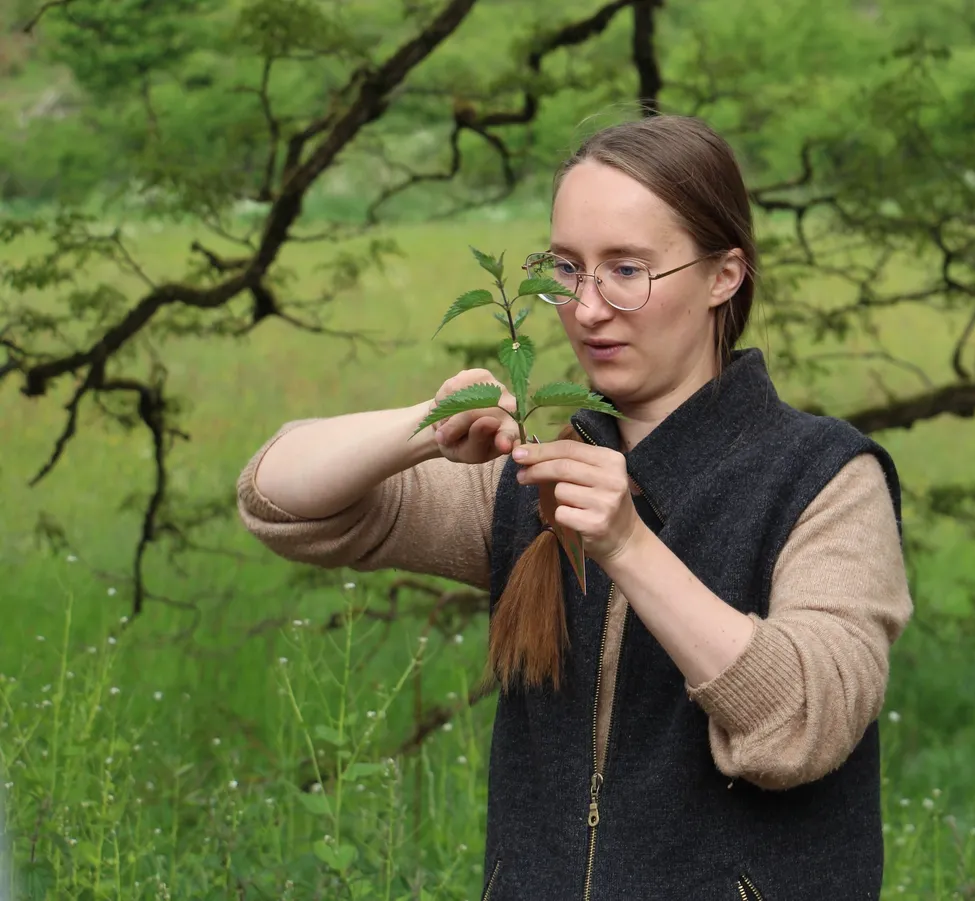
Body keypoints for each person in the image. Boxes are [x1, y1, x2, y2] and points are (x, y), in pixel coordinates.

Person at [237, 114, 913, 901]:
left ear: (724, 275)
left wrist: (628, 545)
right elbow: (277, 497)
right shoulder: (538, 470)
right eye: (565, 267)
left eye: (626, 269)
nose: (586, 308)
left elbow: (805, 721)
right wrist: (423, 428)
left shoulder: (823, 477)